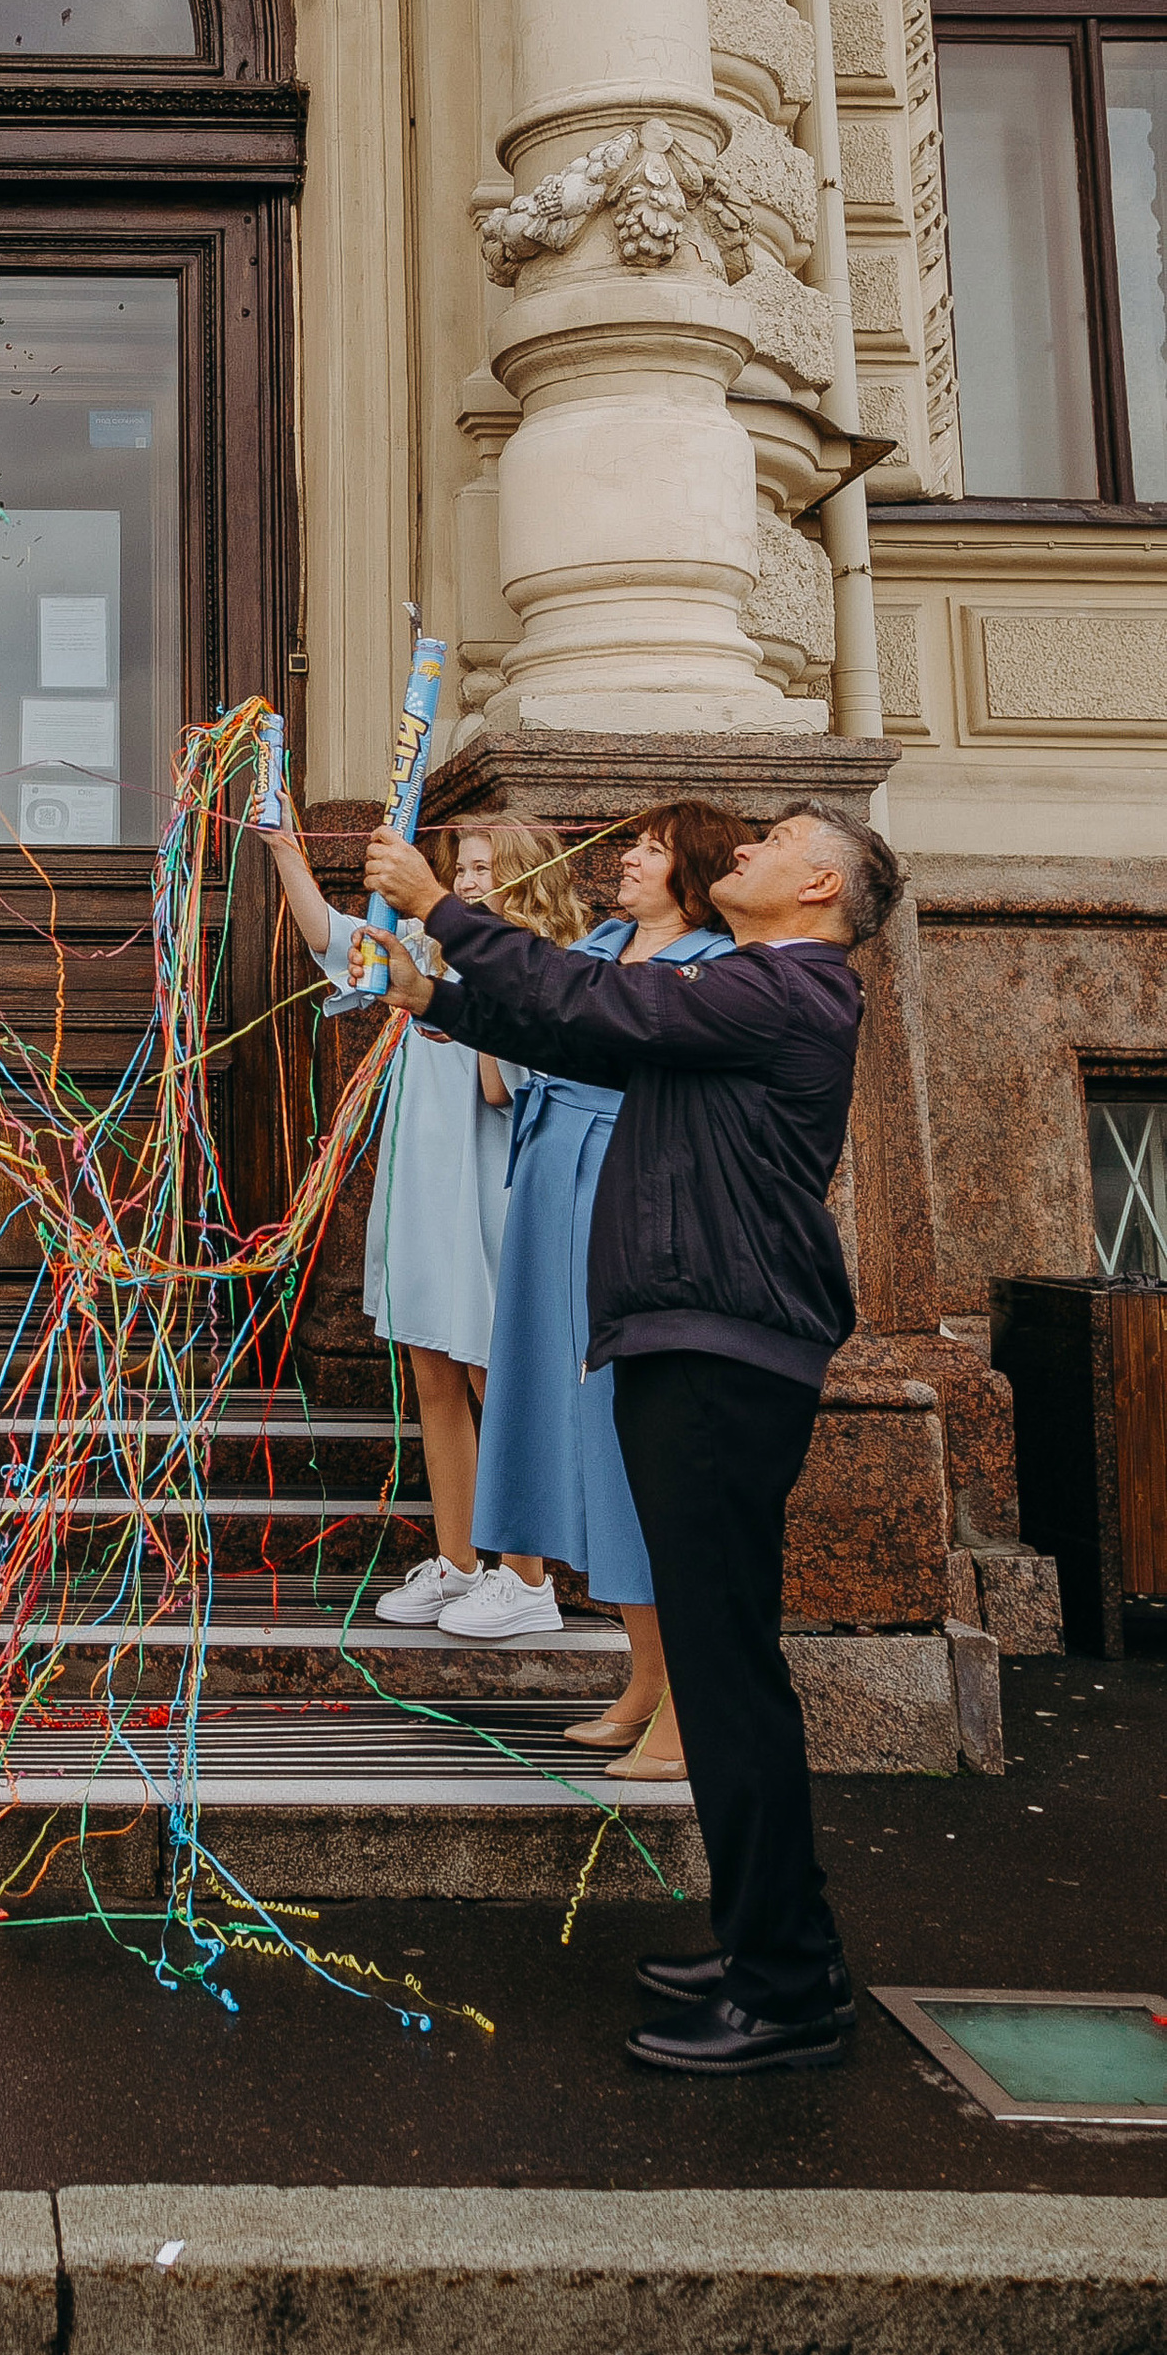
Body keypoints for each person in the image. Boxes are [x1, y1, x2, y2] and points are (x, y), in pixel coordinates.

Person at [364, 802, 900, 2077]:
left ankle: (784, 1990)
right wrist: (434, 999)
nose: (746, 853)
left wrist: (443, 907)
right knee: (730, 1675)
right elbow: (577, 1032)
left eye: (771, 840)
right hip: (688, 1342)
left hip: (719, 1351)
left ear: (818, 884)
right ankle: (780, 1945)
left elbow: (607, 1009)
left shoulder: (789, 988)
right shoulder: (751, 993)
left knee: (726, 1681)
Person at [462, 804, 746, 1769]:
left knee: (633, 1432)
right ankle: (644, 1673)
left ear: (693, 870)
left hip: (620, 1184)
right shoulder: (604, 941)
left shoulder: (714, 966)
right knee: (573, 1428)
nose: (626, 859)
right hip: (549, 1178)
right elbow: (518, 1062)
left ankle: (685, 1700)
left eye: (652, 849)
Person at [254, 812, 553, 1627]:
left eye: (487, 870)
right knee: (433, 1375)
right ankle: (458, 1559)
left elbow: (502, 1089)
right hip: (424, 1183)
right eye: (462, 868)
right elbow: (334, 938)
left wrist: (480, 988)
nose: (466, 881)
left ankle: (525, 1578)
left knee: (495, 1375)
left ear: (525, 879)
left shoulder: (532, 969)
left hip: (487, 1186)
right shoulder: (422, 950)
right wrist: (288, 852)